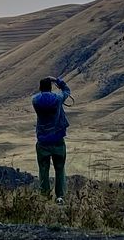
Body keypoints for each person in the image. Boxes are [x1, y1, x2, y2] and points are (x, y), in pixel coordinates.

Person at [32, 74, 71, 203]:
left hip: (43, 140)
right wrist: (57, 81)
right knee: (60, 168)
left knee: (43, 169)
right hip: (58, 139)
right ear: (50, 87)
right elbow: (67, 91)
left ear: (39, 88)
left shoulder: (35, 100)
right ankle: (60, 196)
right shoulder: (57, 98)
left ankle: (44, 196)